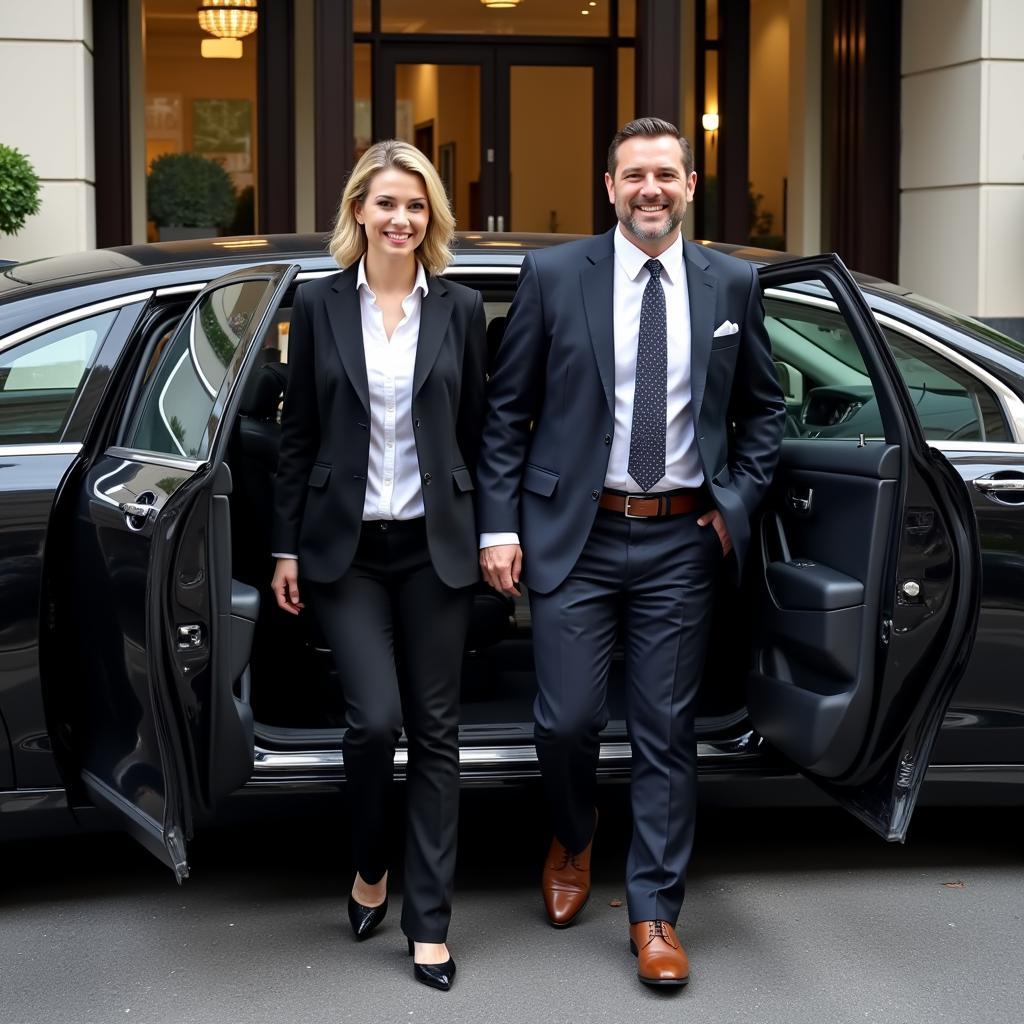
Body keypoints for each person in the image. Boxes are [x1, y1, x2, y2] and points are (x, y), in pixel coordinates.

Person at [477, 117, 786, 987]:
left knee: (666, 731)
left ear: (691, 185)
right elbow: (505, 415)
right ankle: (574, 835)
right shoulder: (551, 275)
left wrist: (737, 502)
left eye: (666, 174)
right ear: (608, 187)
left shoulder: (731, 283)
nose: (650, 189)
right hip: (573, 534)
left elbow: (763, 411)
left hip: (682, 539)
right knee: (565, 720)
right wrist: (500, 527)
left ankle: (654, 913)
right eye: (633, 175)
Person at [271, 139, 486, 992]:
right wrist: (286, 544)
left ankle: (428, 923)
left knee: (438, 735)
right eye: (387, 203)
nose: (402, 219)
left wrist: (490, 533)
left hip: (435, 549)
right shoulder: (318, 306)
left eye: (417, 205)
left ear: (430, 217)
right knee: (374, 723)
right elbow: (296, 442)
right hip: (345, 549)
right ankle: (369, 866)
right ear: (358, 210)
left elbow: (478, 437)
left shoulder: (462, 310)